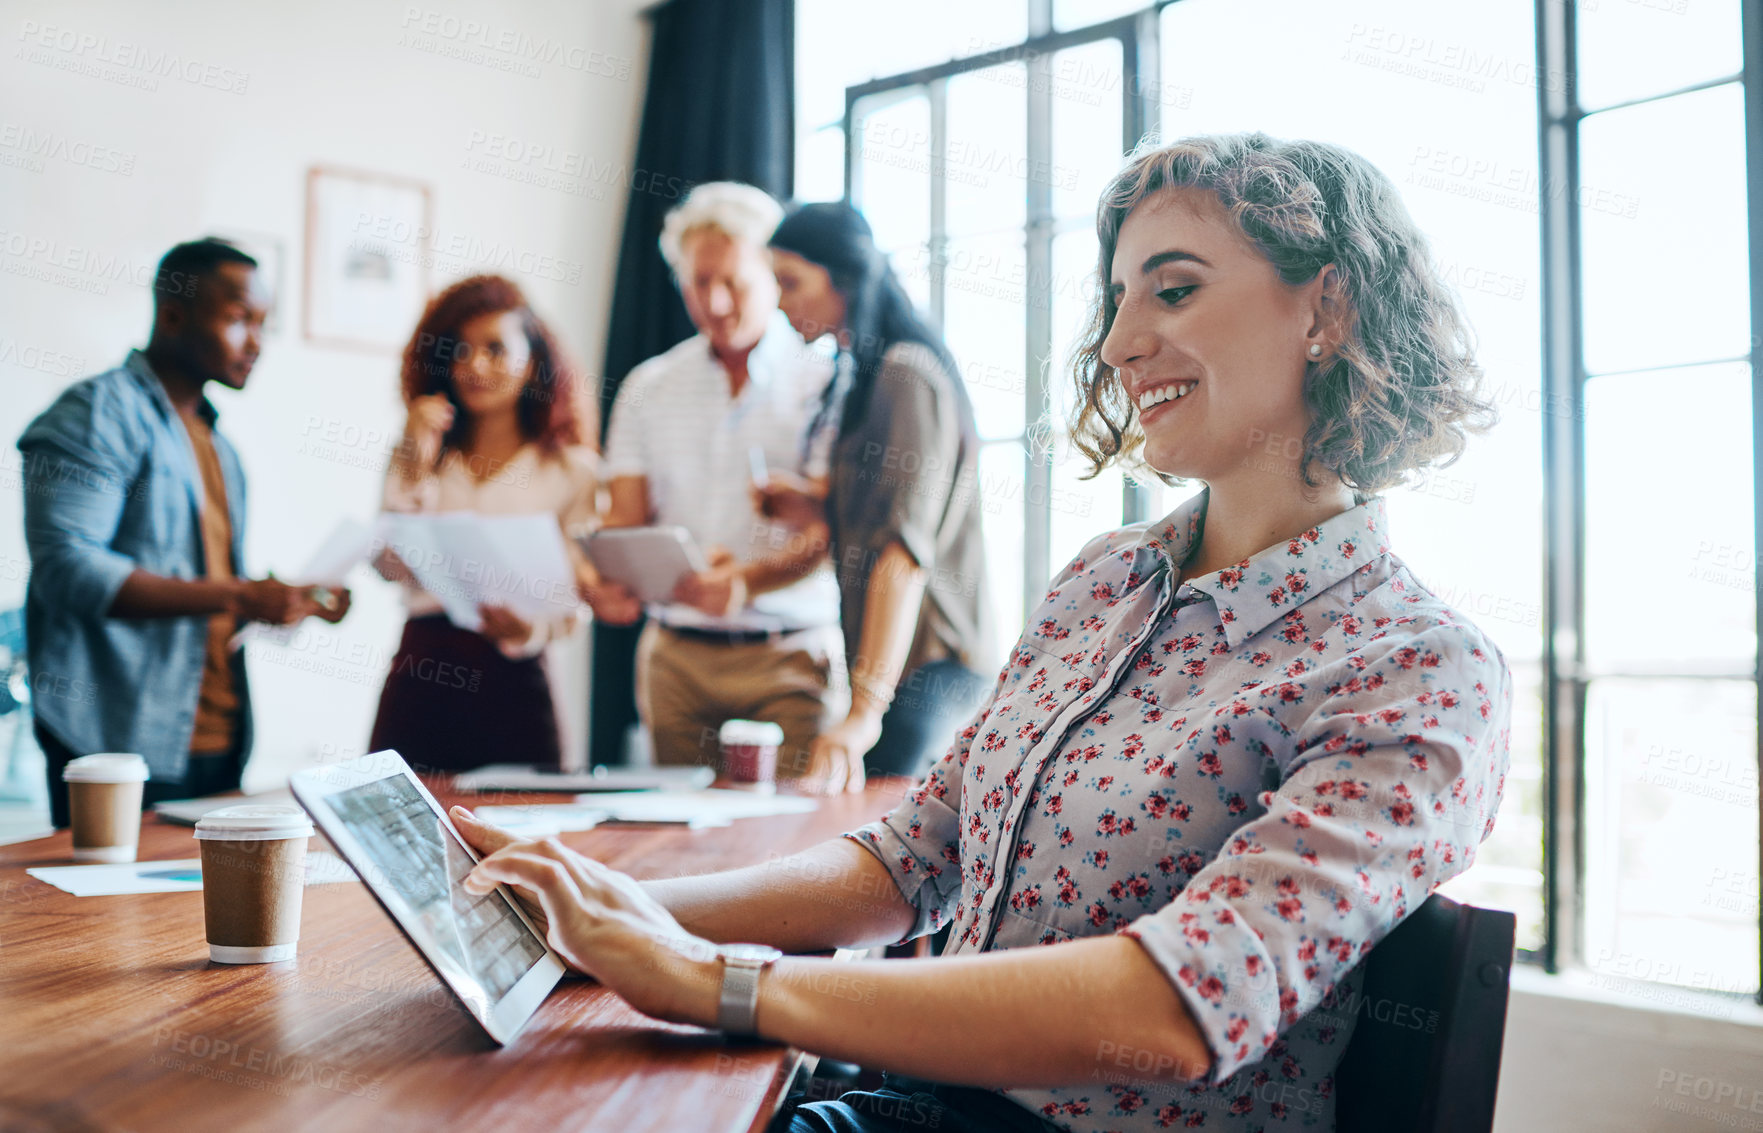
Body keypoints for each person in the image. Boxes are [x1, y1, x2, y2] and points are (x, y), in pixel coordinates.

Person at [448, 133, 1516, 1132]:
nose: (1116, 342)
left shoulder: (1413, 665)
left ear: (1325, 306)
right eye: (1114, 300)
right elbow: (910, 856)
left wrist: (711, 980)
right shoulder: (1104, 578)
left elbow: (1176, 1005)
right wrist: (606, 905)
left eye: (1174, 288)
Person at [18, 237, 350, 827]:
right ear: (172, 316)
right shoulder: (94, 412)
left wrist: (284, 601)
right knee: (107, 920)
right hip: (112, 737)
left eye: (264, 325)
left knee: (205, 919)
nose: (257, 342)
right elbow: (68, 568)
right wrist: (239, 594)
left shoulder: (220, 445)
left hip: (217, 734)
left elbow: (207, 586)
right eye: (239, 318)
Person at [584, 182, 846, 779]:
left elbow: (833, 529)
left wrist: (747, 583)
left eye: (735, 282)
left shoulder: (822, 377)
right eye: (700, 283)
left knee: (792, 854)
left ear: (774, 275)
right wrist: (604, 579)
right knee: (681, 849)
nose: (717, 302)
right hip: (676, 659)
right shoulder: (650, 387)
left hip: (790, 656)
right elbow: (623, 522)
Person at [758, 202, 996, 793]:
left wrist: (863, 711)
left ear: (844, 277)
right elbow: (881, 511)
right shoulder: (869, 373)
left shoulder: (905, 374)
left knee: (888, 856)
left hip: (931, 666)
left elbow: (903, 552)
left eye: (791, 282)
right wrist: (817, 505)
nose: (780, 302)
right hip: (902, 668)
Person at [369, 274, 596, 772]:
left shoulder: (572, 471)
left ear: (533, 359)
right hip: (422, 665)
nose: (474, 366)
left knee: (523, 831)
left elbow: (583, 595)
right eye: (460, 350)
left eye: (495, 349)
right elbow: (387, 565)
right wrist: (413, 462)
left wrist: (531, 628)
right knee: (397, 826)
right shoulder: (418, 450)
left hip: (513, 673)